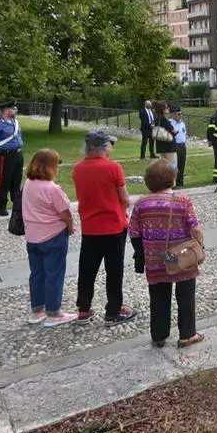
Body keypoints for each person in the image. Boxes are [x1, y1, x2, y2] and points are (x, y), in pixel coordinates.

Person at [129, 160, 204, 348]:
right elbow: (195, 228)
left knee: (158, 296)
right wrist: (201, 247)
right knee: (186, 294)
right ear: (171, 179)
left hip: (155, 257)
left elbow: (134, 232)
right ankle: (187, 334)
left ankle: (159, 335)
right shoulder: (182, 200)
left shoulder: (141, 203)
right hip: (182, 256)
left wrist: (142, 253)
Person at [72, 130, 137, 325]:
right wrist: (127, 206)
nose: (111, 148)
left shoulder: (78, 168)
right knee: (114, 270)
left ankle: (83, 308)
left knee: (87, 269)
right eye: (110, 145)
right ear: (103, 147)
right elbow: (124, 198)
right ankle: (113, 310)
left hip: (90, 225)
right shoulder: (113, 168)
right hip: (113, 225)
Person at [22, 149, 77, 327]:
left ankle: (38, 310)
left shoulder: (28, 184)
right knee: (54, 274)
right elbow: (65, 213)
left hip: (32, 236)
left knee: (37, 273)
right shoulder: (53, 189)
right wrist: (70, 227)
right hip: (53, 235)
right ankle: (54, 312)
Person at [0, 101, 24, 216]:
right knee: (3, 180)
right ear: (7, 110)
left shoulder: (15, 122)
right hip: (4, 156)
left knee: (17, 180)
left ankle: (17, 204)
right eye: (14, 108)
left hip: (18, 154)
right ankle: (1, 205)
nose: (16, 110)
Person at [152, 102, 178, 169]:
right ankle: (172, 179)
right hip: (169, 146)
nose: (168, 109)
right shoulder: (163, 119)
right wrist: (176, 132)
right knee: (173, 166)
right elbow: (173, 131)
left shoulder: (157, 118)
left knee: (165, 166)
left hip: (161, 145)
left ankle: (165, 179)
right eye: (166, 107)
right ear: (162, 109)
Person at [169, 107, 188, 187]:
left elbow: (184, 133)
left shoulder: (182, 123)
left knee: (181, 164)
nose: (180, 116)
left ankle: (180, 182)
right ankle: (173, 183)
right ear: (173, 115)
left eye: (181, 114)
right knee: (173, 165)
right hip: (174, 145)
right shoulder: (170, 123)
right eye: (178, 114)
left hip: (182, 145)